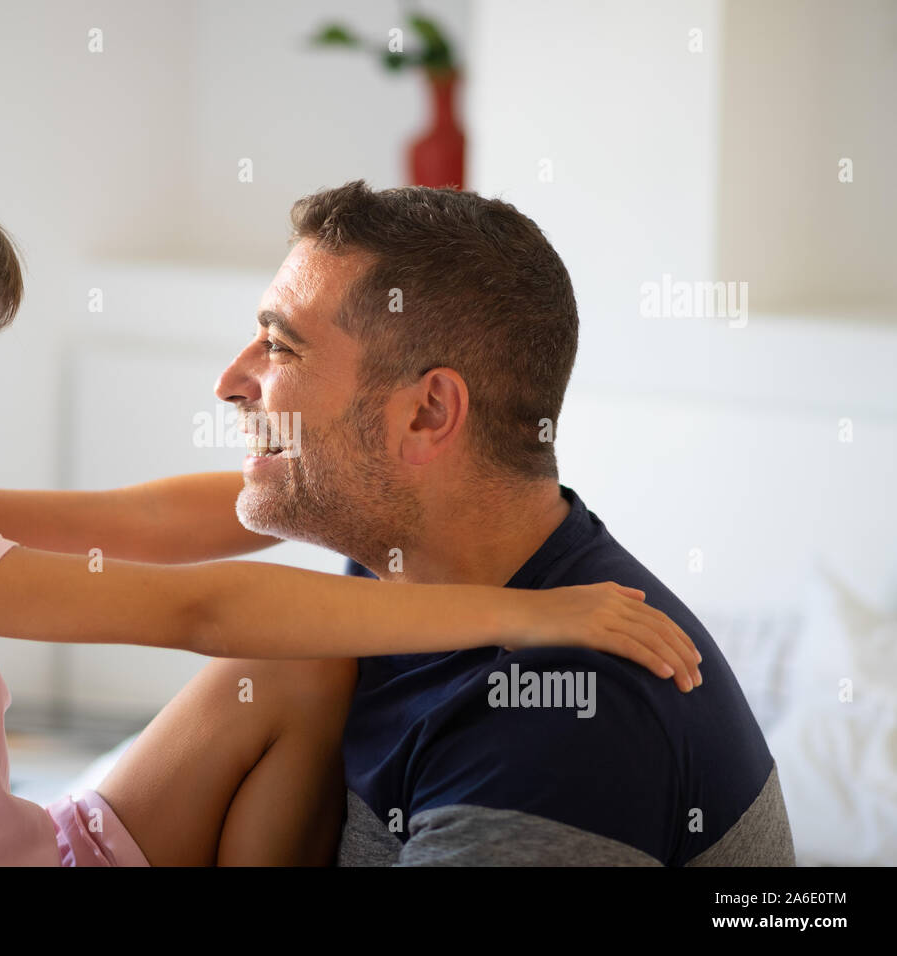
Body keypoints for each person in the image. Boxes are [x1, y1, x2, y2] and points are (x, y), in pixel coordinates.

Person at [0, 121, 700, 867]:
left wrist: (319, 482)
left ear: (428, 414)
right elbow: (200, 607)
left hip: (33, 847)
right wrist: (522, 612)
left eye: (280, 345)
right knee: (285, 650)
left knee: (291, 668)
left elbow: (133, 523)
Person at [204, 179, 796, 866]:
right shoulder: (389, 565)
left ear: (426, 413)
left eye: (281, 347)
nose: (229, 381)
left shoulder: (563, 723)